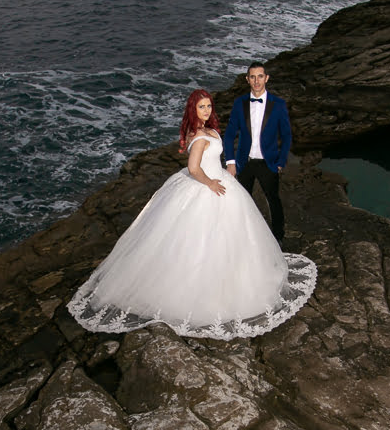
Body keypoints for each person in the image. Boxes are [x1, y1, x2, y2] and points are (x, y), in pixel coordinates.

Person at [68, 89, 316, 341]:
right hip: (206, 184)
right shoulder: (199, 136)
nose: (207, 111)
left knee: (232, 236)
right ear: (193, 110)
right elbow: (193, 168)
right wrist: (211, 183)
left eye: (208, 106)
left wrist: (224, 171)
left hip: (218, 179)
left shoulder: (209, 130)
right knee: (199, 240)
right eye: (201, 108)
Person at [222, 62, 291, 244]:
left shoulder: (279, 104)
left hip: (268, 163)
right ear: (247, 79)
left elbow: (286, 136)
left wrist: (281, 162)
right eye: (252, 77)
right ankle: (243, 238)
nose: (256, 81)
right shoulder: (239, 103)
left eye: (260, 76)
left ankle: (278, 237)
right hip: (244, 163)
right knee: (241, 202)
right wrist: (230, 162)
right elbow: (229, 135)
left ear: (266, 78)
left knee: (273, 201)